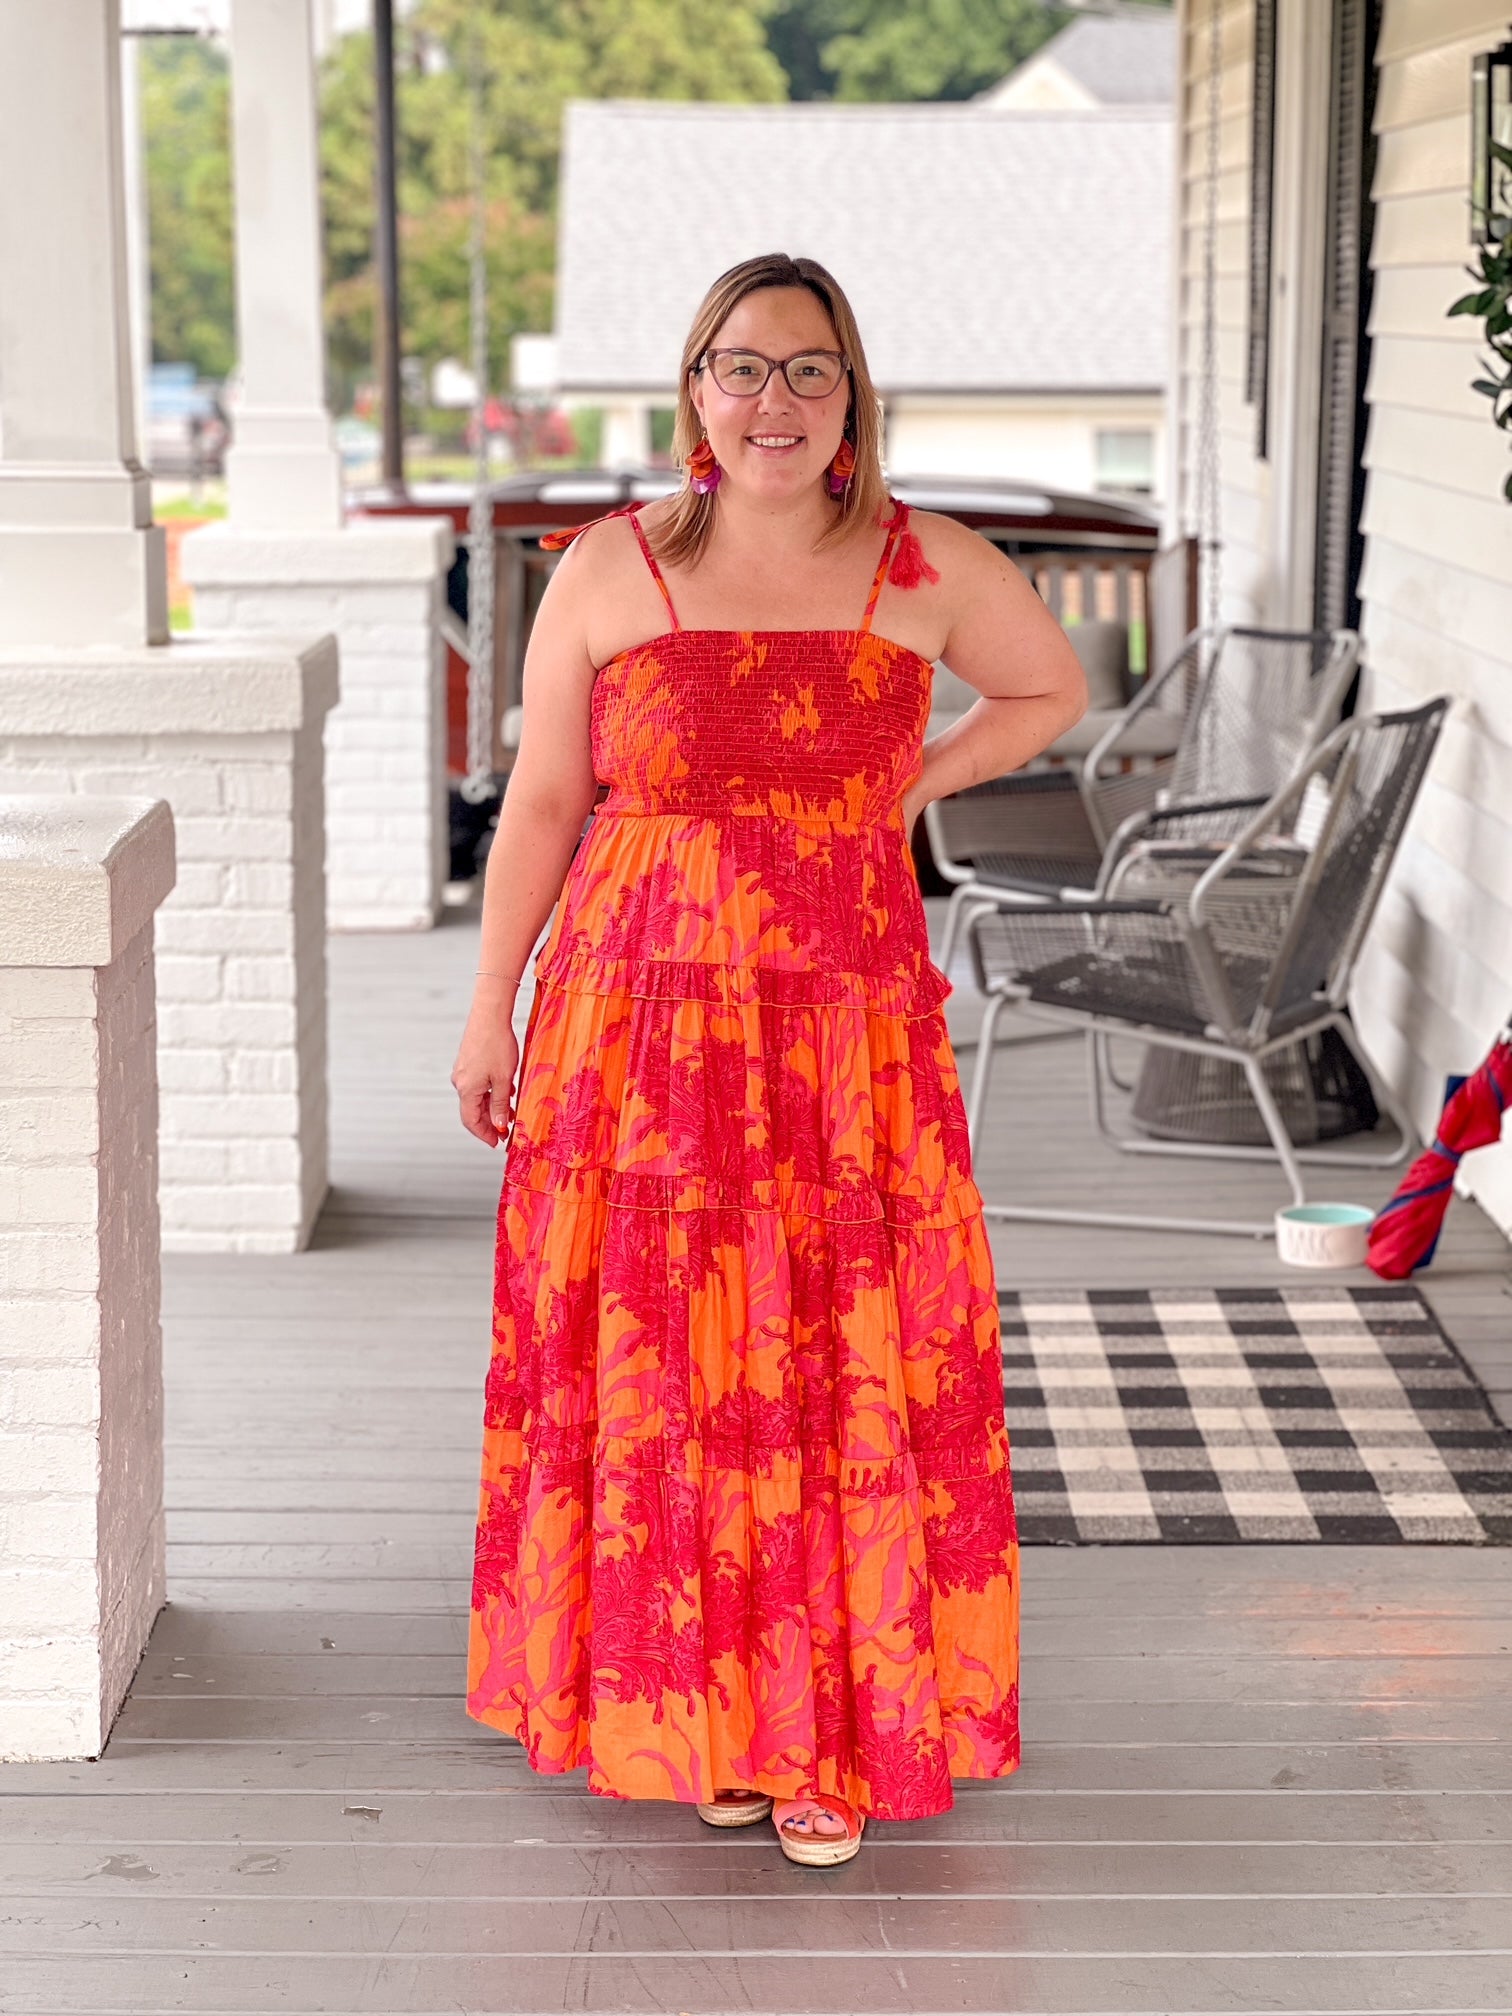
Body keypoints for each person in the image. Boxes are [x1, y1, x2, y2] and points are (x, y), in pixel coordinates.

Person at [453, 252, 1087, 1867]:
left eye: (810, 370)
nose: (774, 400)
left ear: (852, 398)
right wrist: (490, 1004)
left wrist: (913, 782)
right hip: (637, 1023)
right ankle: (712, 1713)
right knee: (672, 1362)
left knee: (832, 1352)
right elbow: (545, 801)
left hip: (845, 1034)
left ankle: (827, 1733)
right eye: (742, 367)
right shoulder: (609, 568)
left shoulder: (924, 562)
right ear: (695, 393)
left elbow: (1048, 688)